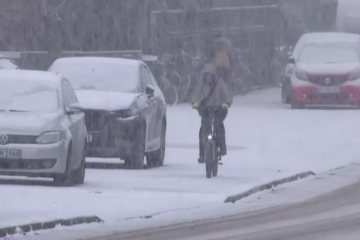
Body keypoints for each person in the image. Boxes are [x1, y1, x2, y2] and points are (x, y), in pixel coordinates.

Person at [191, 63, 233, 163]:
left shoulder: (220, 83)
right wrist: (194, 102)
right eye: (206, 76)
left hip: (219, 108)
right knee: (204, 129)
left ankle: (222, 146)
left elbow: (227, 94)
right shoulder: (201, 84)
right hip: (206, 109)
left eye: (210, 76)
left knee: (218, 126)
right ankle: (202, 153)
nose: (208, 78)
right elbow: (196, 93)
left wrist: (226, 103)